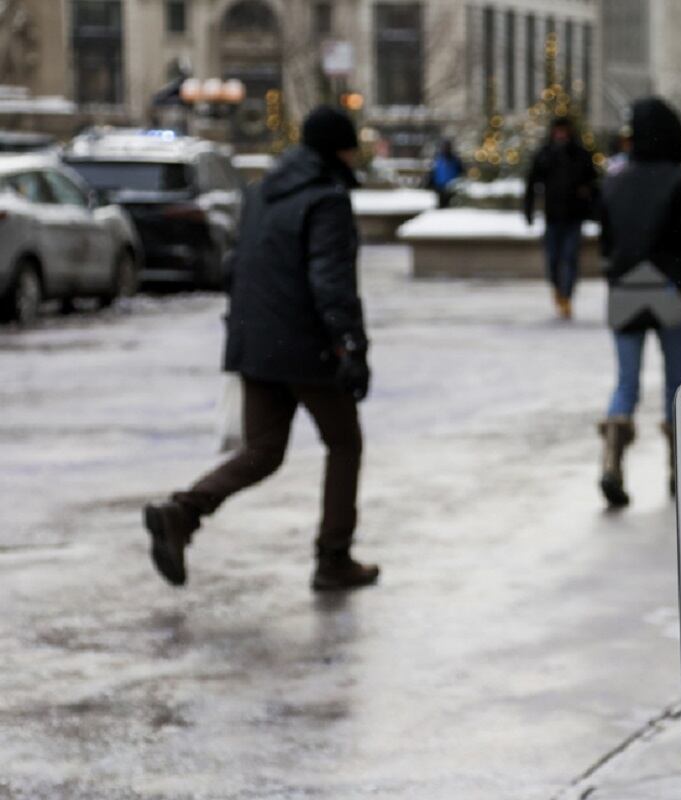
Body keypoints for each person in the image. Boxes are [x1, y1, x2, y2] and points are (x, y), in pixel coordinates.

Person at [142, 106, 378, 591]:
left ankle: (183, 512)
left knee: (264, 450)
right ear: (339, 149)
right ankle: (333, 558)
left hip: (256, 340)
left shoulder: (263, 190)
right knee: (345, 443)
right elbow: (330, 281)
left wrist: (246, 335)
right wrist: (350, 346)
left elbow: (235, 266)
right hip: (306, 347)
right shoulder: (326, 199)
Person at [597, 97, 681, 506]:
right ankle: (677, 470)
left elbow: (606, 244)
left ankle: (612, 459)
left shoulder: (614, 179)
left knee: (626, 383)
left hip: (624, 290)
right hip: (669, 289)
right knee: (677, 384)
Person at [524, 117, 598, 320]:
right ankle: (559, 289)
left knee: (570, 257)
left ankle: (566, 295)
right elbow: (532, 183)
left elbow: (593, 184)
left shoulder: (580, 155)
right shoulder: (545, 154)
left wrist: (592, 207)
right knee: (553, 259)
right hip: (553, 216)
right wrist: (528, 211)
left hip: (573, 216)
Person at [426, 139, 463, 209]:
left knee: (450, 207)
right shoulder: (437, 158)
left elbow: (460, 171)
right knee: (441, 206)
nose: (445, 148)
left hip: (452, 187)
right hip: (439, 186)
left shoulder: (455, 159)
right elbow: (432, 172)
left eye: (447, 146)